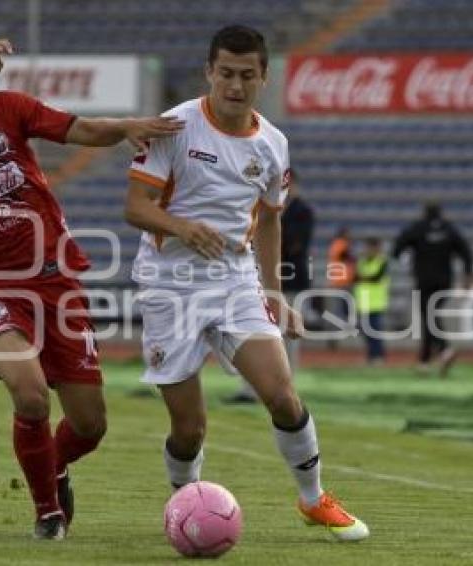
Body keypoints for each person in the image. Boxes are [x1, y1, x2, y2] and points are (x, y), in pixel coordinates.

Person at [0, 26, 182, 540]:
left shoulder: (8, 107)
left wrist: (128, 125)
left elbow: (81, 129)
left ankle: (52, 464)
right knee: (30, 397)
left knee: (91, 425)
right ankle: (47, 513)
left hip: (57, 279)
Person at [124, 25, 368, 542]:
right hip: (170, 284)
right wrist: (184, 228)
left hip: (234, 280)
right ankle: (184, 502)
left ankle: (313, 499)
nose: (235, 85)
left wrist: (275, 293)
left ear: (263, 77)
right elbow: (135, 208)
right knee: (189, 430)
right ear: (210, 71)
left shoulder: (273, 144)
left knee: (282, 395)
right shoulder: (175, 128)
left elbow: (272, 219)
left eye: (246, 76)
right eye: (226, 74)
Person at [226, 170, 314, 403]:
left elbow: (294, 245)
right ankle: (250, 388)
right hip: (261, 279)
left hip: (291, 280)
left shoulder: (302, 212)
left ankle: (286, 389)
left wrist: (270, 243)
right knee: (255, 333)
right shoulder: (261, 207)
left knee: (288, 336)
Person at [393, 201, 473, 377]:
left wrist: (408, 259)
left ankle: (444, 350)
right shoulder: (449, 229)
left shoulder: (417, 228)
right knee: (431, 315)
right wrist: (467, 275)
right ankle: (424, 362)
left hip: (424, 280)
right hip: (444, 281)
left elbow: (397, 248)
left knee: (429, 316)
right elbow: (466, 252)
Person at [354, 237, 389, 365]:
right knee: (366, 331)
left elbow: (376, 278)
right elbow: (355, 277)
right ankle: (371, 356)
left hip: (376, 303)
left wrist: (363, 278)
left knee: (375, 331)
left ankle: (378, 356)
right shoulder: (361, 261)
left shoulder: (382, 261)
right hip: (362, 302)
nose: (369, 250)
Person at [325, 226, 355, 348]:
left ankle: (335, 336)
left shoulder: (336, 245)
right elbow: (348, 257)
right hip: (341, 283)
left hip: (338, 283)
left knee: (339, 312)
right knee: (340, 312)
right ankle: (336, 336)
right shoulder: (341, 244)